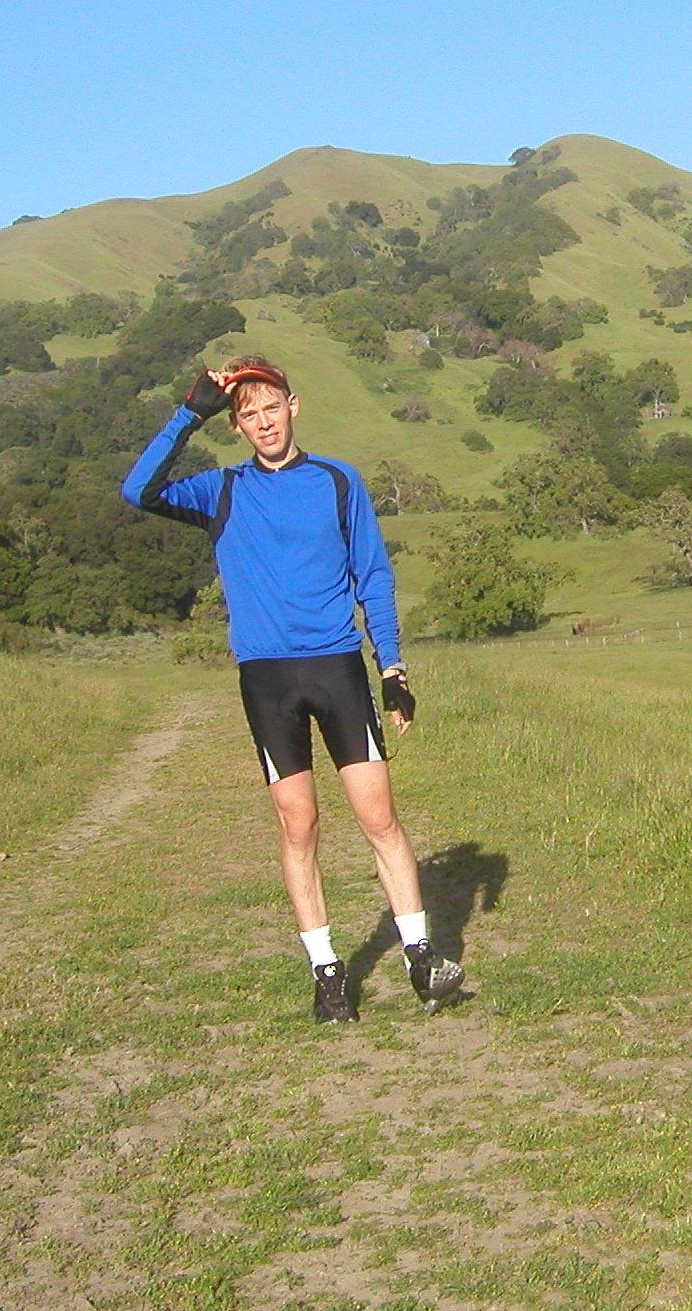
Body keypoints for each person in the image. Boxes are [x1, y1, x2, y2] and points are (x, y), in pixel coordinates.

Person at [120, 355, 466, 1023]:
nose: (262, 421)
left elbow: (374, 574)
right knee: (298, 824)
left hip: (337, 667)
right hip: (267, 679)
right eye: (246, 414)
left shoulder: (339, 481)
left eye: (270, 406)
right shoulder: (221, 492)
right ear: (239, 427)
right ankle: (328, 972)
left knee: (378, 818)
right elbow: (138, 491)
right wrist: (189, 414)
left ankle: (421, 957)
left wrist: (392, 669)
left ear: (293, 405)